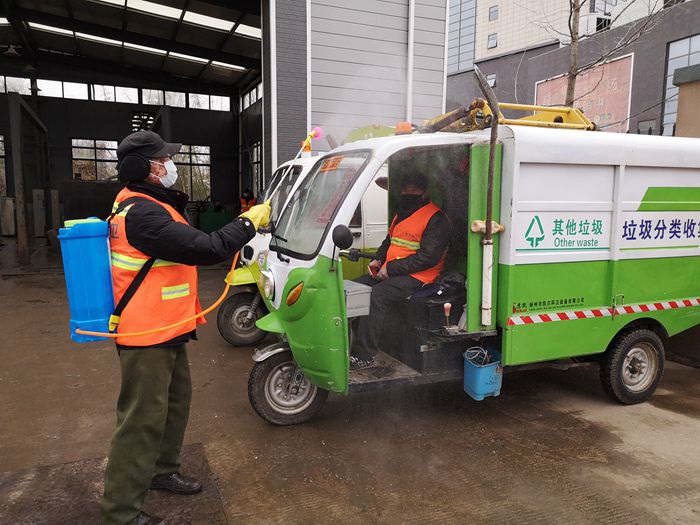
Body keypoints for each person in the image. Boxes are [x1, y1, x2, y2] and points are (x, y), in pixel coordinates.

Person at [101, 130, 271, 525]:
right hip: (145, 335)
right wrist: (247, 223)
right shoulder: (141, 213)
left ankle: (161, 471)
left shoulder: (150, 205)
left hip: (167, 328)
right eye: (162, 160)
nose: (169, 165)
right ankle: (120, 513)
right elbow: (206, 248)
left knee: (175, 404)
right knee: (141, 420)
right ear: (143, 169)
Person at [350, 172, 450, 370]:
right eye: (405, 190)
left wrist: (392, 268)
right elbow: (389, 242)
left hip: (421, 276)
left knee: (376, 296)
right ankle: (352, 344)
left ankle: (365, 355)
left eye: (413, 190)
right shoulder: (401, 213)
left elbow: (428, 257)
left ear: (424, 193)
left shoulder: (437, 218)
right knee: (354, 289)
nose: (408, 194)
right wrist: (379, 260)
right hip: (395, 272)